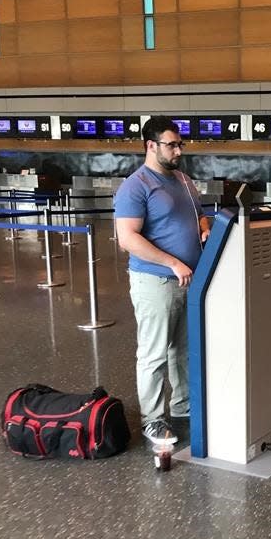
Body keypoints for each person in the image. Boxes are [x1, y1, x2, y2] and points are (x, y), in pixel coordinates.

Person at [114, 116, 210, 446]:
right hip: (155, 281)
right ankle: (152, 419)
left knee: (182, 351)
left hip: (189, 281)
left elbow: (198, 214)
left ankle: (182, 407)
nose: (178, 151)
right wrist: (172, 262)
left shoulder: (183, 180)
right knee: (154, 354)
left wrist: (205, 225)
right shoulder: (136, 186)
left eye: (180, 144)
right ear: (151, 146)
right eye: (172, 145)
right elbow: (127, 237)